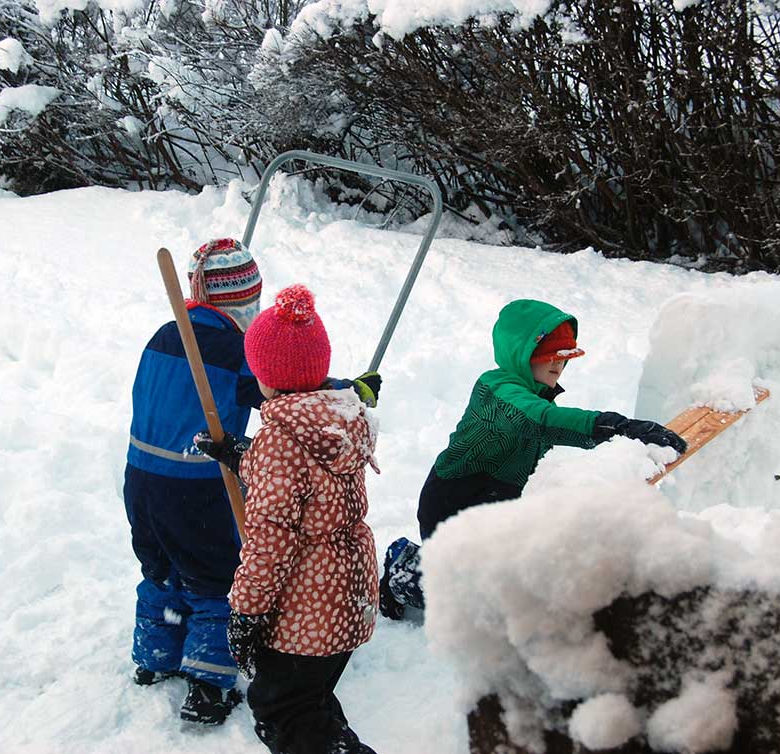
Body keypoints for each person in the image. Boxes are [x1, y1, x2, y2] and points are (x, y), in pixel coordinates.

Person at [124, 239, 382, 726]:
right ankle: (207, 683)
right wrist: (352, 391)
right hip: (195, 485)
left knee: (160, 568)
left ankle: (153, 657)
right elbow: (289, 387)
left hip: (140, 477)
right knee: (215, 576)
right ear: (244, 303)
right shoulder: (232, 349)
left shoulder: (163, 334)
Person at [379, 298, 688, 620]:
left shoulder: (536, 395)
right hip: (454, 504)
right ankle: (404, 567)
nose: (557, 366)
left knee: (515, 592)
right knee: (475, 607)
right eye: (548, 357)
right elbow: (538, 420)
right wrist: (616, 425)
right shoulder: (497, 391)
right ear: (522, 356)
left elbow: (554, 429)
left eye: (564, 358)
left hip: (499, 505)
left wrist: (620, 448)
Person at [195, 284, 381, 754]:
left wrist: (246, 612)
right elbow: (307, 484)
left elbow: (269, 542)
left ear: (267, 376)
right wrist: (243, 456)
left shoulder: (282, 439)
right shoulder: (337, 418)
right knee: (310, 700)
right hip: (349, 594)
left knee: (284, 712)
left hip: (308, 608)